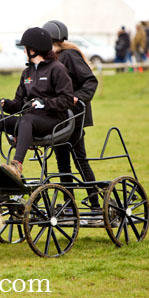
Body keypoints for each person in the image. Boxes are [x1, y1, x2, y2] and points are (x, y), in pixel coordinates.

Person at [0, 27, 74, 178]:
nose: (24, 52)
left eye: (25, 48)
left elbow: (67, 99)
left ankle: (16, 166)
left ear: (34, 50)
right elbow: (19, 104)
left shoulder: (57, 69)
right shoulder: (27, 73)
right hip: (30, 121)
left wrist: (44, 103)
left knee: (26, 120)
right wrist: (6, 104)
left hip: (54, 121)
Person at [42, 20, 100, 211]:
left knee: (80, 160)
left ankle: (95, 204)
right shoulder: (51, 59)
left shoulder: (70, 55)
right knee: (62, 163)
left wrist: (76, 98)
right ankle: (69, 205)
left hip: (74, 116)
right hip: (58, 117)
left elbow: (90, 81)